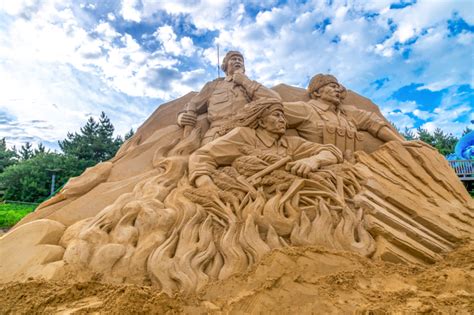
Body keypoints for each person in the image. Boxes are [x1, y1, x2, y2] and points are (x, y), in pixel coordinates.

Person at [188, 98, 343, 188]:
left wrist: (313, 160)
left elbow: (332, 151)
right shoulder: (243, 135)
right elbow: (202, 155)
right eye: (276, 115)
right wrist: (207, 186)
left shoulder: (291, 143)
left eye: (283, 117)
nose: (283, 121)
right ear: (261, 122)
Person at [284, 74, 404, 159]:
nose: (338, 91)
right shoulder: (306, 109)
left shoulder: (347, 113)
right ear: (316, 92)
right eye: (333, 87)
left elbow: (373, 122)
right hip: (324, 168)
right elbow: (272, 111)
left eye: (339, 88)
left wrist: (401, 143)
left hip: (357, 168)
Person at [177, 51, 281, 144]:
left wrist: (245, 81)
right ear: (225, 66)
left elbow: (275, 99)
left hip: (246, 134)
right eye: (233, 59)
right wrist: (181, 118)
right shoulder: (213, 86)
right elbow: (192, 105)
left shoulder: (249, 84)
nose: (237, 61)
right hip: (217, 135)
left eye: (240, 60)